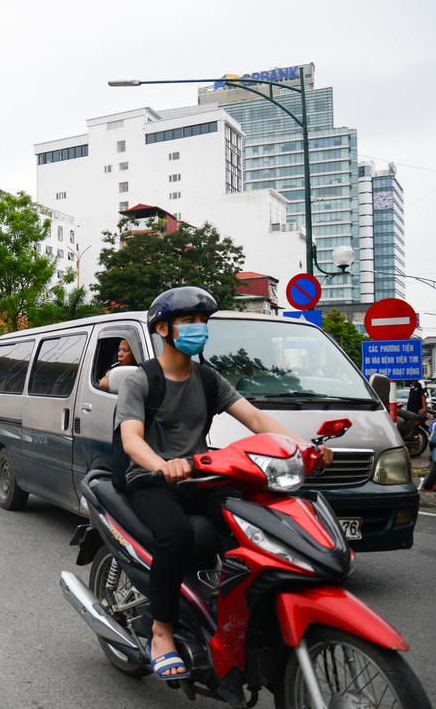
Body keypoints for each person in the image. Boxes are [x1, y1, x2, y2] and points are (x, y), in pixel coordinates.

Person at [116, 287, 332, 680]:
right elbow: (132, 438)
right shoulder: (140, 380)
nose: (200, 328)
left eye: (203, 322)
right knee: (175, 537)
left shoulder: (208, 379)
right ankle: (161, 633)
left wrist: (303, 447)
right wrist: (162, 465)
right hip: (152, 478)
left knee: (252, 526)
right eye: (190, 322)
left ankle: (231, 613)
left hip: (202, 476)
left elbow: (256, 419)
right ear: (163, 328)